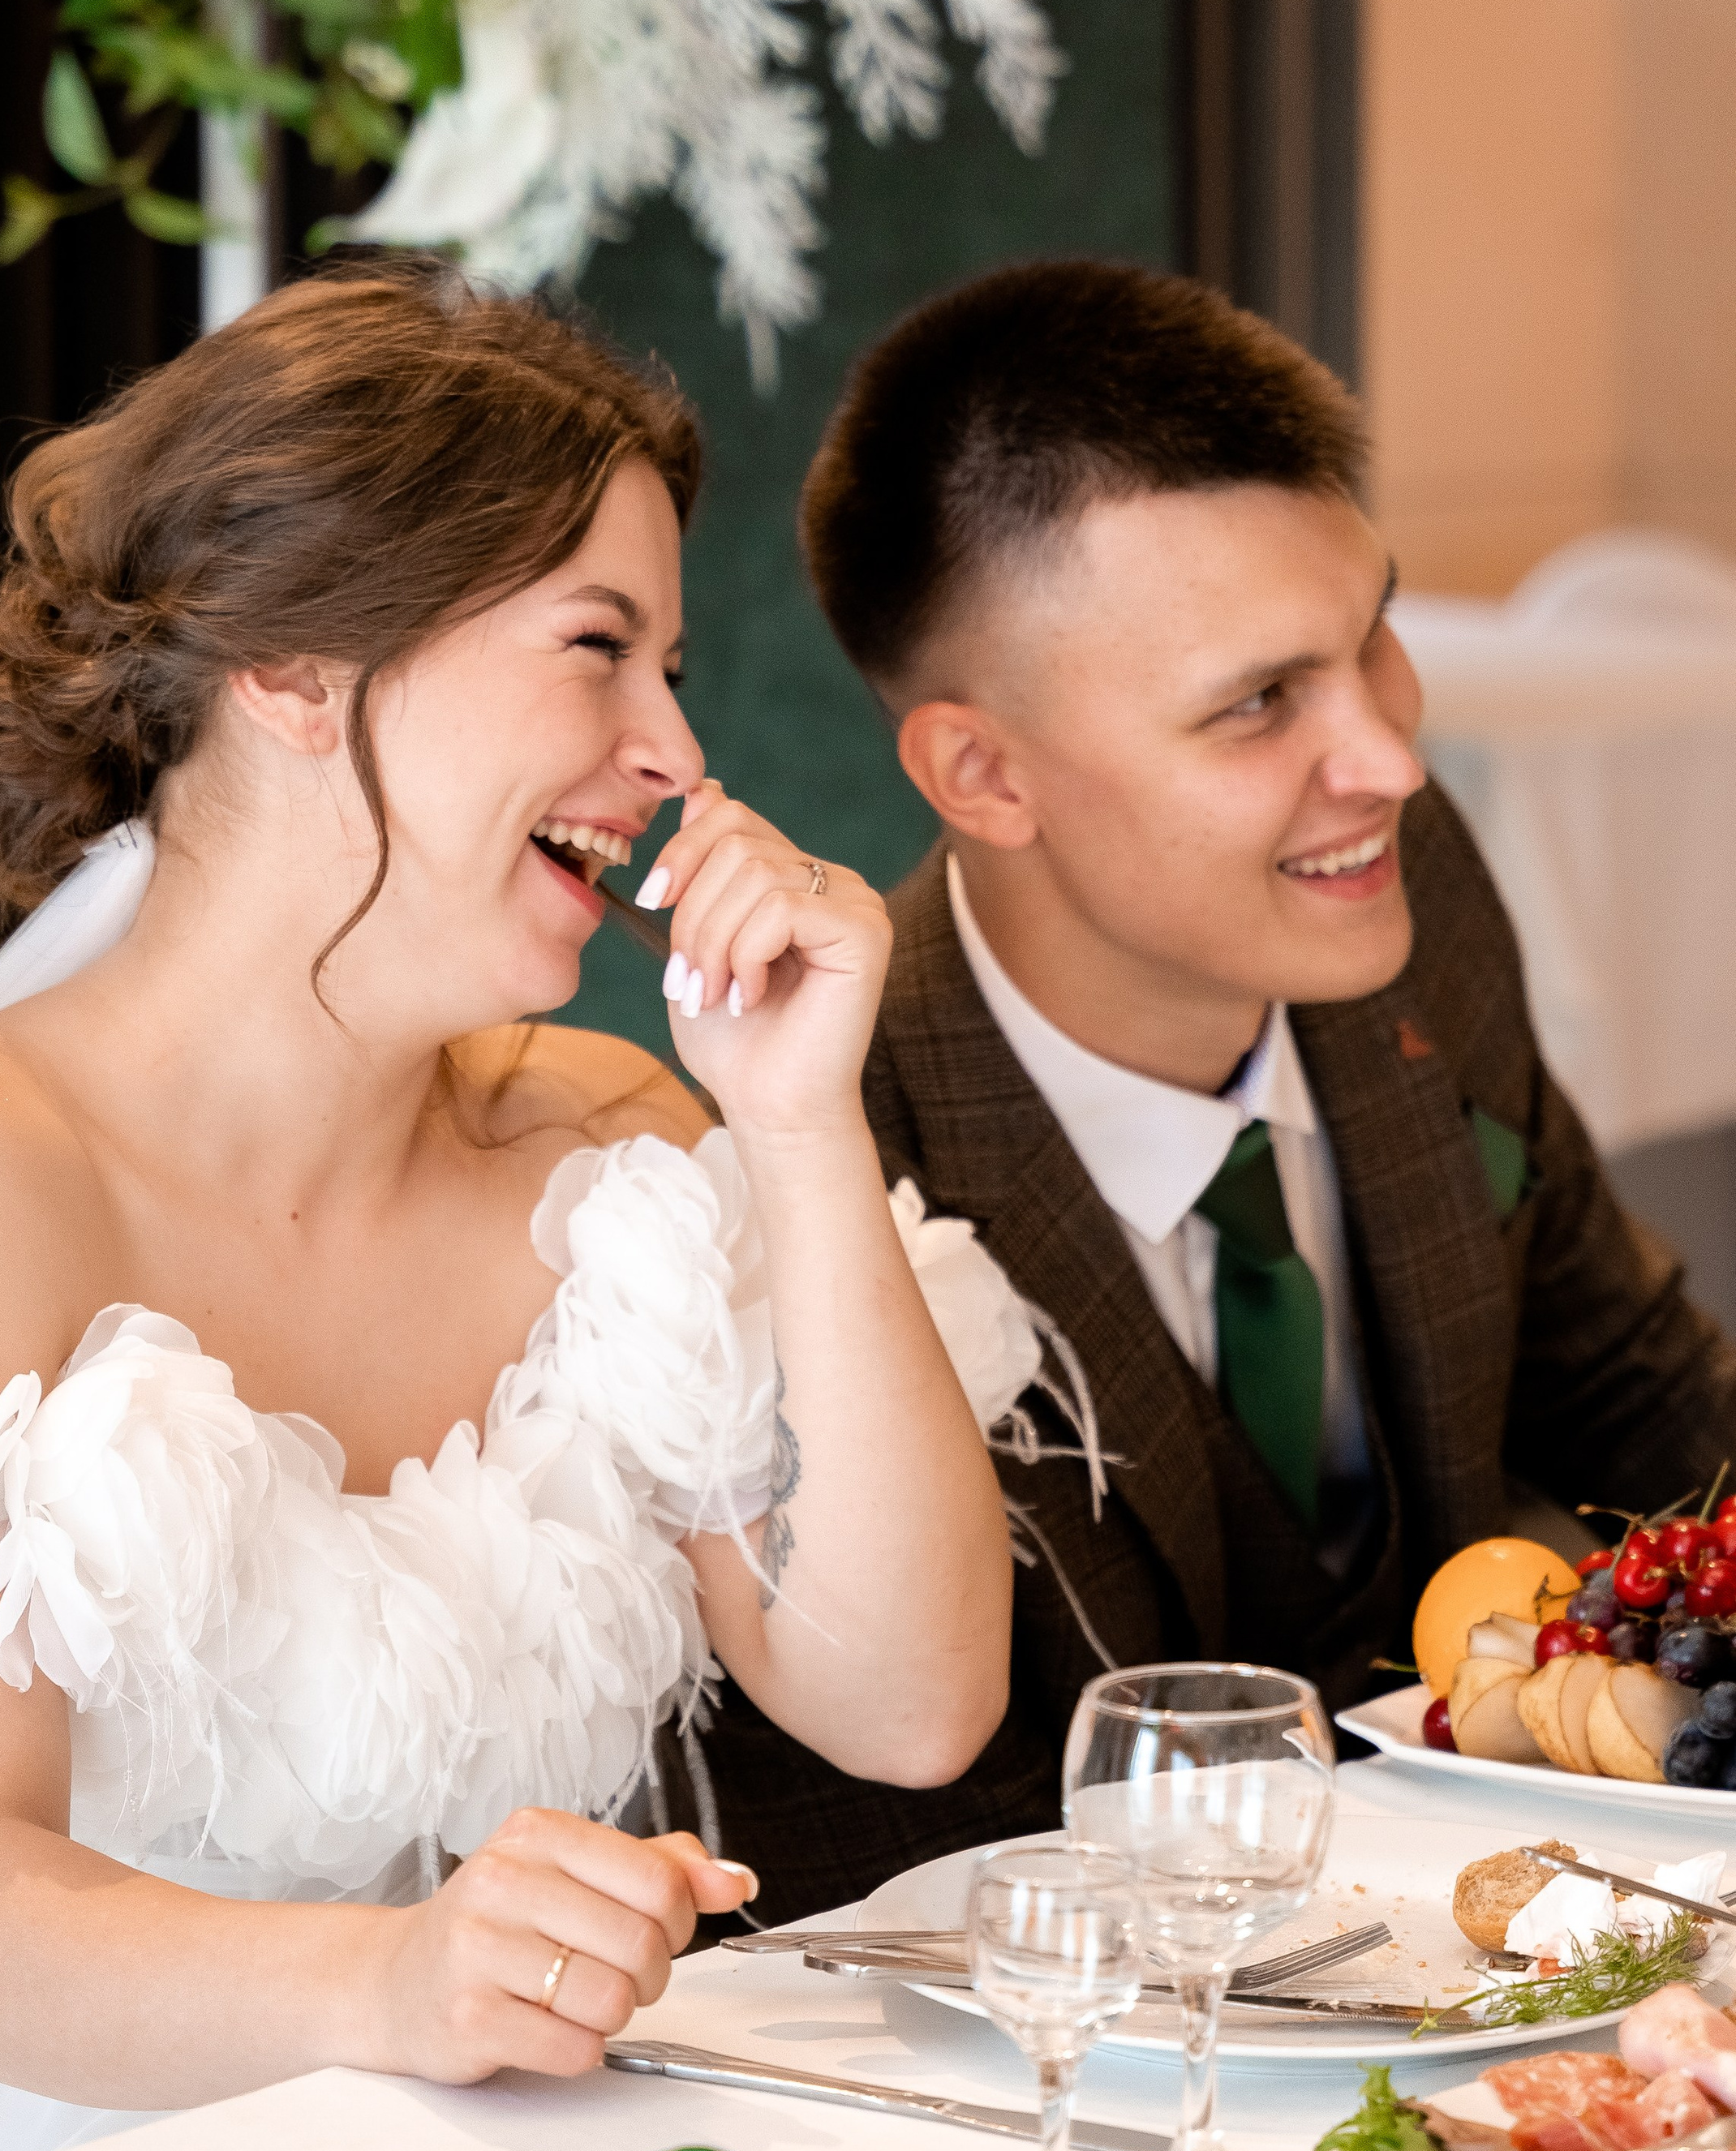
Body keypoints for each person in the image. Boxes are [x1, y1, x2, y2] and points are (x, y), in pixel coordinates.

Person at [0, 264, 1036, 2151]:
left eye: (665, 668)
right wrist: (390, 1985)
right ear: (297, 667)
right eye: (596, 649)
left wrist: (799, 1125)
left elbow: (907, 1705)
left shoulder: (603, 1143)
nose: (671, 749)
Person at [685, 256, 1736, 1919]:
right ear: (982, 771)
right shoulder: (821, 1154)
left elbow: (1633, 1396)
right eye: (1258, 704)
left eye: (1367, 635)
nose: (1387, 758)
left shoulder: (1407, 893)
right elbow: (838, 1861)